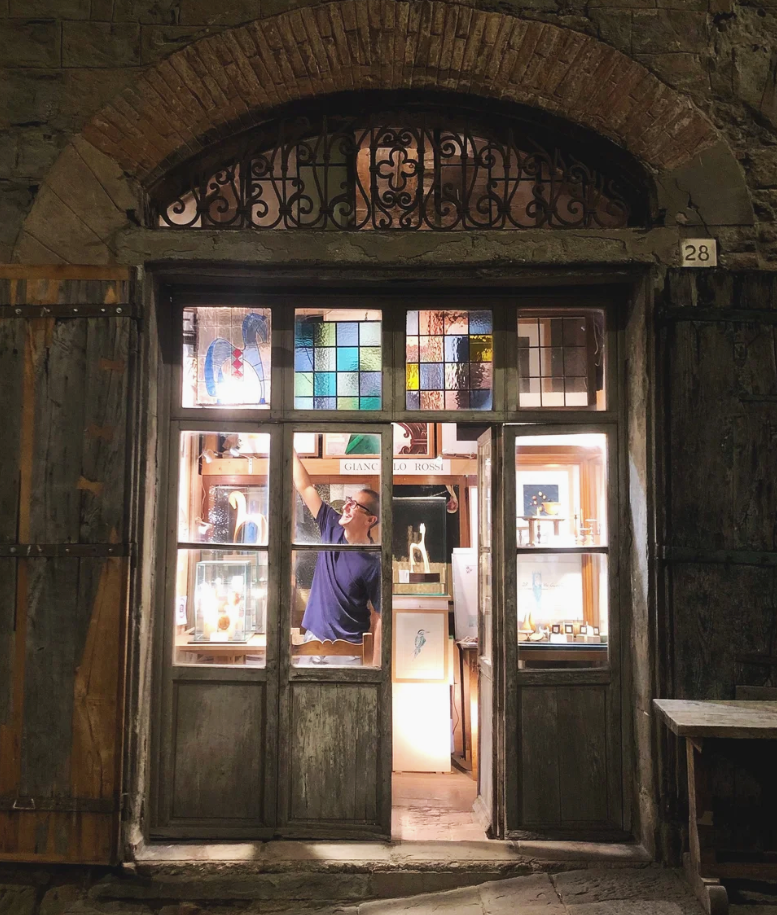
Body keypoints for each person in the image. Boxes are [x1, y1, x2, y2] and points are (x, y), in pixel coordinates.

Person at [293, 450, 381, 658]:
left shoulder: (373, 562)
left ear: (370, 520)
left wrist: (377, 664)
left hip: (350, 650)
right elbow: (305, 487)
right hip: (314, 641)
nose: (347, 506)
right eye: (349, 501)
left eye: (355, 505)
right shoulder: (331, 525)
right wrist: (290, 447)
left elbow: (379, 616)